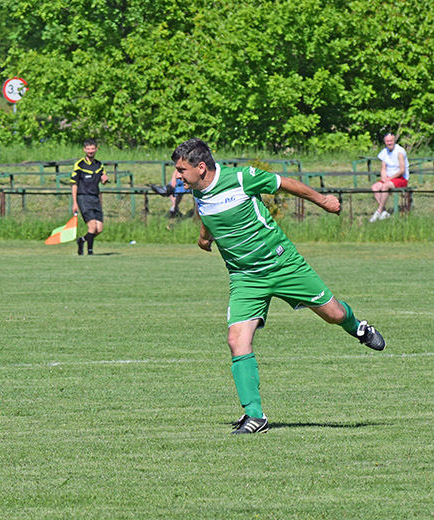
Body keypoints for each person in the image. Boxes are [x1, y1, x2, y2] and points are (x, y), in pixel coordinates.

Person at [171, 138, 385, 435]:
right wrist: (205, 236)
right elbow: (208, 211)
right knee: (237, 341)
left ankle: (359, 328)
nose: (177, 176)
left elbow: (286, 183)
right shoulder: (198, 191)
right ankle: (255, 417)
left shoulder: (242, 178)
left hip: (284, 265)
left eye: (181, 170)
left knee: (334, 315)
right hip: (245, 277)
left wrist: (322, 201)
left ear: (202, 167)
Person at [70, 138, 109, 255]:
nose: (90, 151)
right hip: (83, 197)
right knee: (92, 226)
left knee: (99, 229)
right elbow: (74, 184)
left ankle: (82, 240)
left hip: (95, 198)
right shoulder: (79, 165)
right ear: (84, 150)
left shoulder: (99, 165)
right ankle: (90, 252)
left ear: (96, 149)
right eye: (88, 149)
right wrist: (74, 202)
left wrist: (105, 179)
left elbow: (103, 179)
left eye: (92, 148)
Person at [370, 133, 409, 222]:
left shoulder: (400, 152)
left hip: (400, 178)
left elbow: (402, 170)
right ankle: (384, 212)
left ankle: (378, 211)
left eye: (391, 141)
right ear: (385, 142)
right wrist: (384, 178)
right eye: (387, 141)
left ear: (394, 141)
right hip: (389, 178)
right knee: (375, 187)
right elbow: (383, 168)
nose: (389, 143)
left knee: (385, 186)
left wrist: (389, 179)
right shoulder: (384, 152)